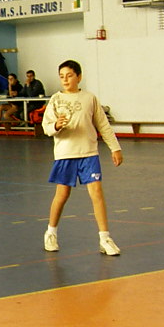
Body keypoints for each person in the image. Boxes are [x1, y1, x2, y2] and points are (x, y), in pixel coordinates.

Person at [42, 60, 122, 256]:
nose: (65, 80)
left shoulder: (90, 98)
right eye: (62, 76)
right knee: (62, 195)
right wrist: (56, 125)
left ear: (79, 76)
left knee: (97, 193)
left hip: (89, 154)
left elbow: (103, 125)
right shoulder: (55, 100)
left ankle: (105, 238)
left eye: (69, 75)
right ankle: (51, 233)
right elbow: (46, 127)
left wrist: (115, 148)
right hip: (65, 154)